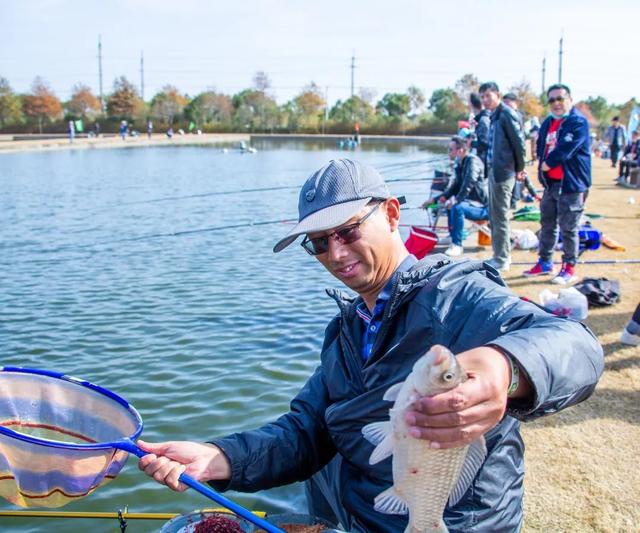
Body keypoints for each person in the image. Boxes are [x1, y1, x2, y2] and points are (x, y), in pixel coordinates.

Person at [137, 158, 603, 532]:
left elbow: (575, 345)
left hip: (458, 519)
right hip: (360, 517)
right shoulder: (347, 329)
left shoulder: (457, 295)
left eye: (347, 231)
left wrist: (506, 367)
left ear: (393, 214)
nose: (335, 254)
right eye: (318, 243)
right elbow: (308, 431)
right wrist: (220, 457)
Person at [523, 84, 592, 284]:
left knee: (569, 227)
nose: (556, 104)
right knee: (547, 224)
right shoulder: (547, 123)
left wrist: (547, 164)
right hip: (551, 184)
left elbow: (566, 149)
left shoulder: (578, 122)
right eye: (552, 100)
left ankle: (569, 267)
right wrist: (541, 169)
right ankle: (545, 262)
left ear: (569, 99)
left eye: (560, 99)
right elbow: (541, 146)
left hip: (571, 184)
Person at [480, 82, 527, 271]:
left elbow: (519, 142)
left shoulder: (506, 113)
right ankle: (498, 255)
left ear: (498, 95)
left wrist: (520, 168)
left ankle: (502, 258)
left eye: (488, 96)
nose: (485, 100)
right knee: (494, 214)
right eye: (482, 97)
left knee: (500, 216)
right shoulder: (494, 115)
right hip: (494, 170)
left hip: (504, 171)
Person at [425, 136, 488, 257]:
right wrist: (434, 200)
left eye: (450, 149)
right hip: (471, 203)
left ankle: (457, 245)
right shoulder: (460, 163)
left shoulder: (472, 161)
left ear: (460, 151)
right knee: (450, 203)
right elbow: (454, 188)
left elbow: (469, 182)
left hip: (483, 207)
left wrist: (456, 200)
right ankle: (452, 236)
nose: (448, 152)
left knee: (456, 207)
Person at [469, 92, 491, 176]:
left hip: (485, 163)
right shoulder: (482, 119)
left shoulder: (483, 120)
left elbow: (485, 144)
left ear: (472, 104)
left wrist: (470, 143)